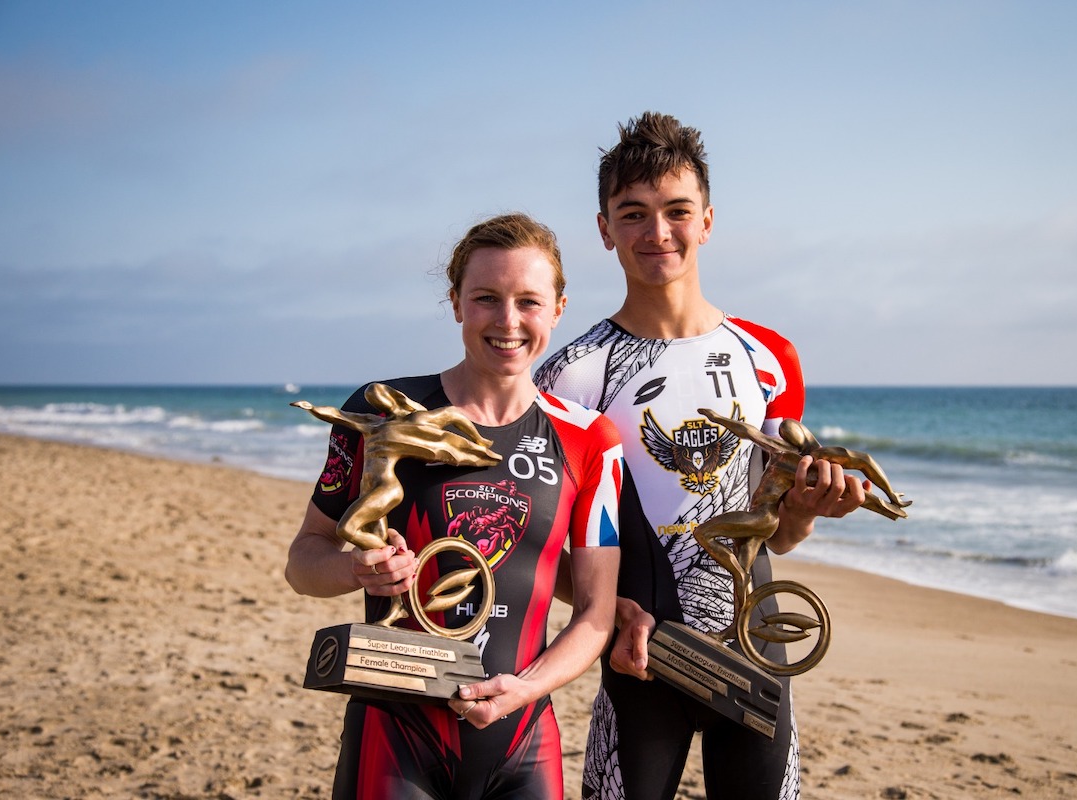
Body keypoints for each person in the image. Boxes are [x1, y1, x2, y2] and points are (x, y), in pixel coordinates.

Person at [534, 112, 868, 800]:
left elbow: (778, 531)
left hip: (757, 652)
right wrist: (609, 611)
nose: (658, 232)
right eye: (634, 214)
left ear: (708, 220)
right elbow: (541, 548)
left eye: (677, 211)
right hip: (638, 665)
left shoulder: (769, 360)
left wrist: (806, 510)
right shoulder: (571, 376)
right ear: (604, 229)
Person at [287, 213, 624, 800]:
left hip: (522, 741)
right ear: (456, 303)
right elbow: (303, 561)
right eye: (486, 298)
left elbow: (596, 613)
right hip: (396, 737)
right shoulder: (383, 410)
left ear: (559, 308)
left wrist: (524, 688)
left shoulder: (590, 440)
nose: (508, 321)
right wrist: (354, 570)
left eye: (529, 301)